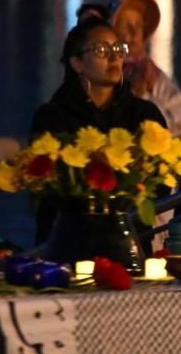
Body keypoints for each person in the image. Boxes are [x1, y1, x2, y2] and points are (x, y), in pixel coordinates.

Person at [29, 17, 165, 242]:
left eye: (117, 48)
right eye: (102, 50)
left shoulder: (145, 116)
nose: (114, 57)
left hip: (129, 242)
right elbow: (48, 186)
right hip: (66, 242)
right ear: (77, 63)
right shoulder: (52, 117)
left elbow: (158, 184)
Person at [110, 0, 181, 136]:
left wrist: (143, 98)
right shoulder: (102, 73)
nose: (134, 33)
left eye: (138, 26)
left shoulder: (153, 76)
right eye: (126, 26)